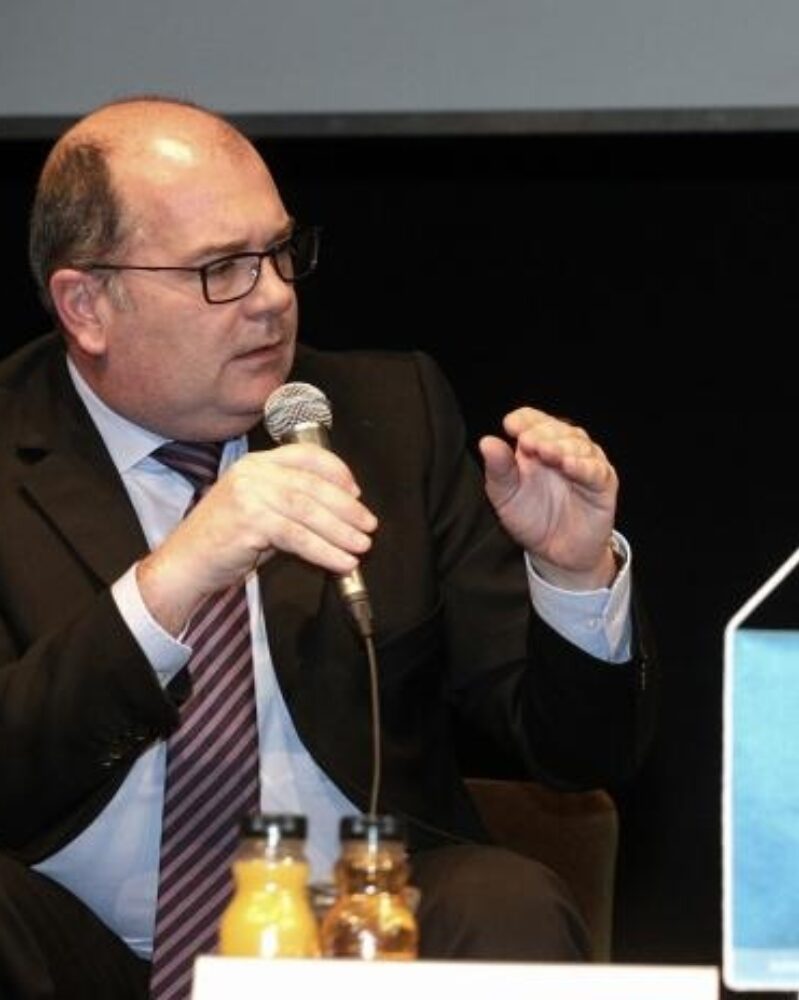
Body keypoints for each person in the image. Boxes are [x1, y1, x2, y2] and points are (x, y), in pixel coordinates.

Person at [0, 97, 654, 999]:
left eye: (279, 253)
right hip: (77, 942)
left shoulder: (390, 419)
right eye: (222, 268)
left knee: (507, 902)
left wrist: (571, 573)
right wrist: (168, 586)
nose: (273, 296)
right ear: (87, 306)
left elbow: (576, 756)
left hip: (358, 928)